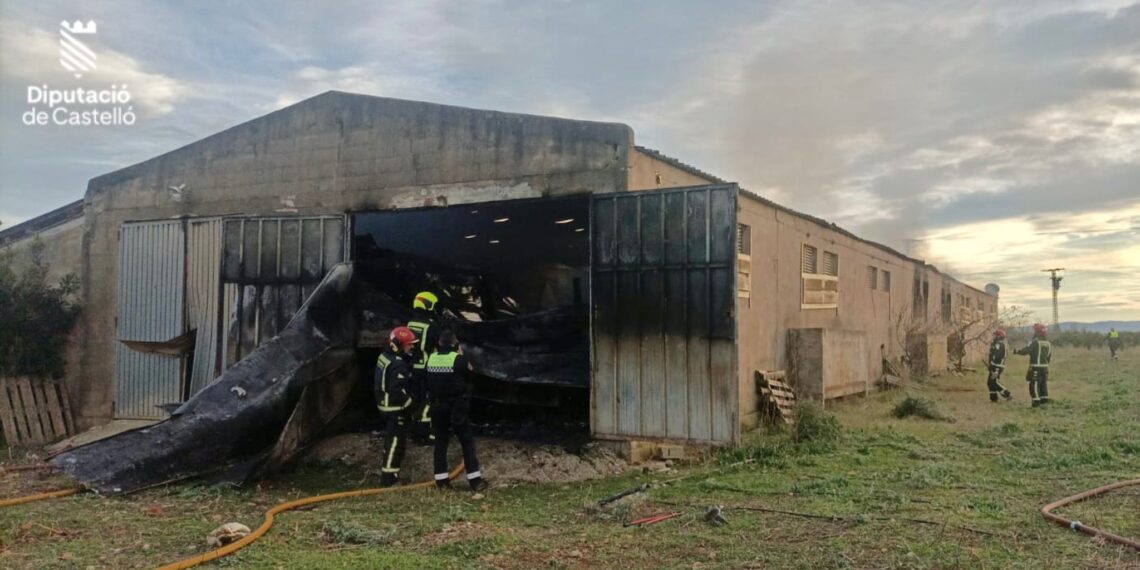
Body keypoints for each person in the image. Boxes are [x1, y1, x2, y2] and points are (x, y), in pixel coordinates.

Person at [425, 329, 486, 491]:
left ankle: (442, 482)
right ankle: (475, 481)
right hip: (456, 407)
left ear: (439, 343)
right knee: (466, 442)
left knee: (440, 443)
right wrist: (461, 355)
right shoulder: (459, 360)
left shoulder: (430, 359)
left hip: (437, 407)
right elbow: (472, 375)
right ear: (455, 344)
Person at [375, 326, 419, 487]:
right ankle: (389, 479)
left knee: (392, 440)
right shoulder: (398, 365)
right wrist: (411, 406)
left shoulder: (384, 357)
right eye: (409, 344)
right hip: (394, 408)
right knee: (395, 442)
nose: (411, 347)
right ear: (398, 345)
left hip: (384, 404)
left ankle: (391, 474)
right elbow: (397, 391)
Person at [407, 291, 441, 444]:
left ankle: (413, 430)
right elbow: (439, 346)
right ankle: (426, 434)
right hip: (427, 368)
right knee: (428, 400)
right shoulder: (431, 327)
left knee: (416, 399)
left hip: (413, 367)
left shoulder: (410, 324)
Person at [1015, 323, 1052, 407]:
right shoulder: (1048, 343)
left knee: (1034, 384)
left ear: (1037, 332)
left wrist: (1017, 351)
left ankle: (1036, 403)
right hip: (1045, 368)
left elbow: (1026, 351)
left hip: (1035, 367)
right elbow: (1049, 356)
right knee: (1043, 384)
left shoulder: (1035, 342)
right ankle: (1044, 401)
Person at [986, 329, 1012, 402]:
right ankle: (993, 399)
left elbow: (997, 356)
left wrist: (992, 364)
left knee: (994, 382)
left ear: (999, 336)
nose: (993, 336)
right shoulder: (997, 344)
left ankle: (1007, 394)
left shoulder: (999, 344)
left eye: (995, 335)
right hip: (995, 366)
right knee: (990, 382)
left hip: (997, 366)